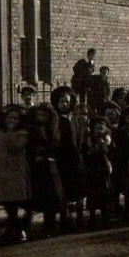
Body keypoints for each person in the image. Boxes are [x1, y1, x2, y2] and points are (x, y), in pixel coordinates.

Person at [0, 107, 30, 245]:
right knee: (6, 202)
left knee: (13, 201)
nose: (12, 121)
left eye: (16, 118)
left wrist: (8, 134)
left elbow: (16, 148)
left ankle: (17, 230)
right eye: (10, 118)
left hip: (15, 171)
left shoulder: (22, 134)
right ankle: (13, 230)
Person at [26, 103, 65, 237]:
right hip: (36, 167)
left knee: (51, 197)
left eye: (44, 115)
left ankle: (50, 225)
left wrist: (50, 156)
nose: (42, 117)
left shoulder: (53, 129)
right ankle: (29, 226)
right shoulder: (32, 129)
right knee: (36, 196)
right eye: (39, 115)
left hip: (49, 167)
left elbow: (56, 146)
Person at [52, 86, 88, 230]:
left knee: (78, 187)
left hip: (75, 156)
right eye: (61, 102)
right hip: (62, 157)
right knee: (63, 189)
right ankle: (64, 218)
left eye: (67, 102)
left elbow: (80, 136)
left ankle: (80, 218)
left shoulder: (74, 118)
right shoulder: (55, 119)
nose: (64, 104)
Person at [85, 122, 114, 226]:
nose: (98, 131)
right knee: (92, 194)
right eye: (96, 128)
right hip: (93, 170)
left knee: (104, 194)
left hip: (103, 170)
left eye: (101, 128)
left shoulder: (107, 140)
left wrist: (102, 143)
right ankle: (92, 218)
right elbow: (88, 153)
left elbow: (108, 152)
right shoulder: (90, 140)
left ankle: (105, 216)